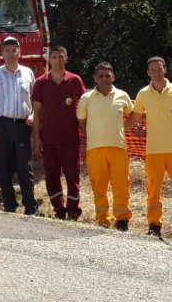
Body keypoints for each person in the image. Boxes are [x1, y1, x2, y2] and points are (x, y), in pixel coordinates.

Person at [125, 56, 172, 240]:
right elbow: (133, 119)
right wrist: (117, 128)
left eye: (159, 68)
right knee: (153, 189)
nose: (156, 72)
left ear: (165, 69)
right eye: (152, 70)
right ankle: (154, 225)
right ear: (148, 73)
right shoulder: (142, 94)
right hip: (154, 150)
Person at [76, 62, 133, 230]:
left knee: (121, 185)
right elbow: (81, 120)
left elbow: (133, 114)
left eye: (108, 76)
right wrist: (90, 135)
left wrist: (124, 128)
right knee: (98, 186)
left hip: (119, 148)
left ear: (113, 76)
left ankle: (122, 219)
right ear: (94, 78)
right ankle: (102, 219)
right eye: (100, 76)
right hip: (95, 150)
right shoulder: (86, 98)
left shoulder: (122, 95)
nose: (104, 79)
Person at [31, 46, 86, 220]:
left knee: (72, 176)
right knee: (52, 176)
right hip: (48, 138)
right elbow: (37, 112)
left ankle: (73, 209)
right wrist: (36, 138)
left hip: (70, 139)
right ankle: (59, 209)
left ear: (66, 58)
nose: (57, 60)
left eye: (60, 57)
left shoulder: (75, 80)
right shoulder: (41, 82)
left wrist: (86, 135)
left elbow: (84, 107)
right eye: (54, 57)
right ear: (49, 60)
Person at [0, 36, 37, 215]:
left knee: (25, 167)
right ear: (2, 53)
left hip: (23, 126)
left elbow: (35, 100)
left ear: (19, 52)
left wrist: (32, 115)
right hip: (2, 125)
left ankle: (30, 206)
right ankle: (9, 205)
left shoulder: (28, 73)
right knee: (4, 166)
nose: (11, 54)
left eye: (14, 50)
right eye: (7, 51)